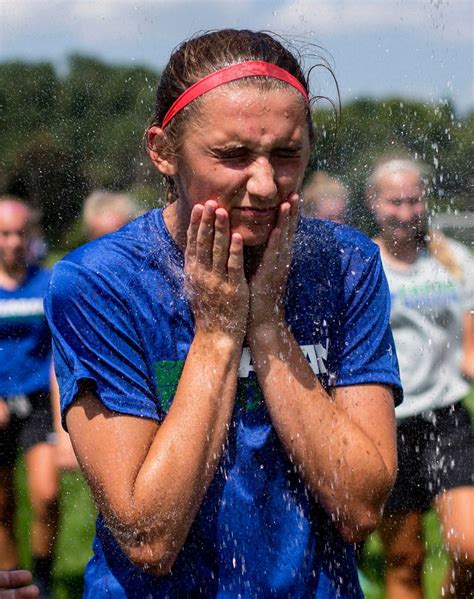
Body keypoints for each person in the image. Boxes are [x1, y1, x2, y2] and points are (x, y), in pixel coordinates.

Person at [45, 29, 402, 598]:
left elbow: (359, 507)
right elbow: (150, 538)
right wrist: (216, 333)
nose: (264, 184)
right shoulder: (101, 283)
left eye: (287, 153)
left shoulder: (345, 264)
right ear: (162, 150)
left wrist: (265, 327)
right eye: (232, 156)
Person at [366, 156, 474, 598]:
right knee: (406, 560)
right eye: (395, 202)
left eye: (414, 200)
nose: (406, 212)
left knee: (469, 548)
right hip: (389, 422)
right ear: (374, 203)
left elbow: (470, 344)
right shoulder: (365, 264)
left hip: (447, 418)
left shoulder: (455, 260)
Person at [0, 197, 58, 598]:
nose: (14, 241)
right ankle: (12, 582)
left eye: (21, 232)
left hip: (37, 400)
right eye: (5, 233)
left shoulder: (48, 282)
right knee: (2, 505)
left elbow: (60, 350)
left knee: (48, 495)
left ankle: (42, 578)